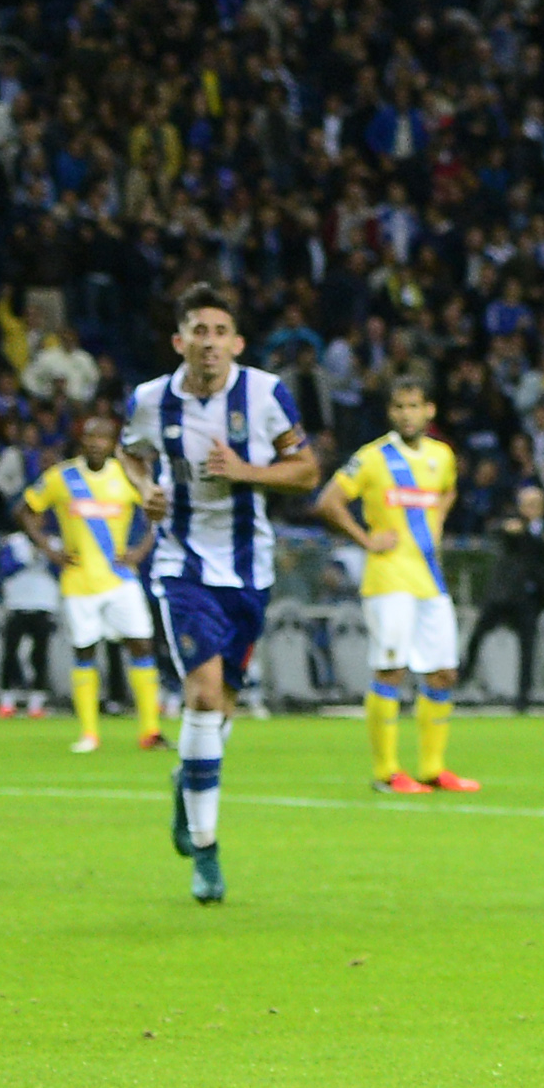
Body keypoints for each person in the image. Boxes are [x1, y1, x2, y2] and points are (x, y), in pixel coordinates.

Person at [125, 284, 319, 903]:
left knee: (223, 709)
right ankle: (206, 853)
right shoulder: (151, 400)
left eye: (219, 332)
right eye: (197, 331)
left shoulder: (264, 394)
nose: (208, 342)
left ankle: (189, 781)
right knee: (203, 695)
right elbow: (131, 457)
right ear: (179, 340)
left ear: (236, 342)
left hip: (249, 569)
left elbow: (308, 470)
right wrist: (144, 491)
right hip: (181, 566)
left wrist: (248, 472)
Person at [318, 378, 479, 793]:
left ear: (430, 410)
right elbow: (328, 502)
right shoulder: (372, 458)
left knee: (443, 672)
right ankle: (387, 772)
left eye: (414, 406)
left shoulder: (442, 456)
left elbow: (447, 492)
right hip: (388, 580)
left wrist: (437, 522)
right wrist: (366, 539)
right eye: (399, 407)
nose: (407, 414)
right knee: (391, 668)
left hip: (430, 580)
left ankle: (432, 768)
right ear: (391, 413)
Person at [24, 410, 164, 755]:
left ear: (113, 443)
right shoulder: (62, 477)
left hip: (120, 578)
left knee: (142, 645)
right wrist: (50, 549)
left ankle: (150, 731)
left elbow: (157, 512)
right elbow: (26, 510)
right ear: (81, 440)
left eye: (103, 437)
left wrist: (141, 550)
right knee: (85, 651)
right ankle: (89, 733)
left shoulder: (126, 476)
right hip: (78, 581)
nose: (96, 443)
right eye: (90, 437)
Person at [462, 482, 544, 711]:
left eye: (536, 504)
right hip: (502, 594)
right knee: (477, 635)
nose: (531, 509)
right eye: (527, 504)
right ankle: (463, 675)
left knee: (528, 648)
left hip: (530, 597)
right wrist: (509, 529)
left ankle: (523, 698)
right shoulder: (511, 523)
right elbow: (493, 530)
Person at [0, 526, 60, 718]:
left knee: (40, 655)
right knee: (10, 653)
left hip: (44, 604)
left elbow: (60, 569)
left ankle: (37, 701)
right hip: (17, 603)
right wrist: (26, 559)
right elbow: (4, 569)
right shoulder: (14, 542)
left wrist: (47, 554)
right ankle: (7, 699)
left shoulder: (54, 543)